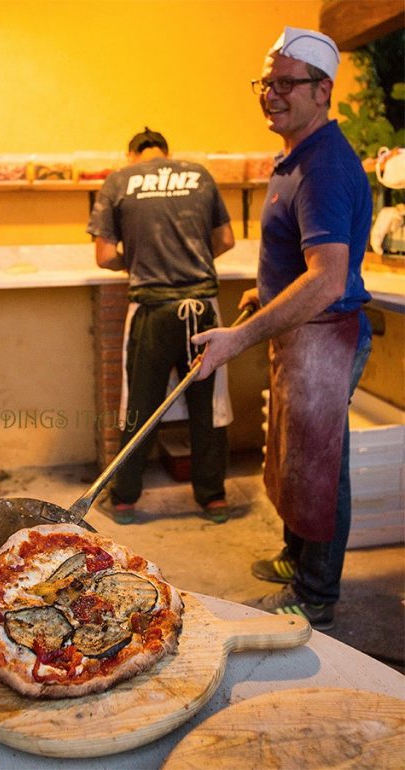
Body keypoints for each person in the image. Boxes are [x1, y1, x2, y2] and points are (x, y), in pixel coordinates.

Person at [192, 27, 372, 630]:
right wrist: (266, 292)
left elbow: (325, 279)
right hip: (299, 331)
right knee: (293, 454)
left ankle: (316, 593)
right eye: (265, 83)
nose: (270, 94)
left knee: (320, 464)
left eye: (285, 83)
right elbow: (301, 258)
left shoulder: (324, 167)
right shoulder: (296, 153)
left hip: (324, 334)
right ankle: (297, 559)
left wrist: (238, 338)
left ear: (323, 91)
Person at [87, 128, 236, 524]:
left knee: (141, 407)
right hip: (201, 307)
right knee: (207, 407)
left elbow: (104, 257)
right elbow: (226, 239)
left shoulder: (119, 180)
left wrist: (133, 262)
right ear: (167, 153)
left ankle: (125, 500)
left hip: (153, 310)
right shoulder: (199, 175)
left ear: (132, 153)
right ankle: (213, 499)